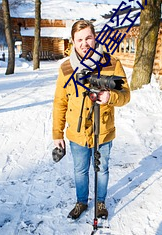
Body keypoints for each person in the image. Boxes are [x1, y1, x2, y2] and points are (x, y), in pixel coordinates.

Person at [52, 20, 130, 220]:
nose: (84, 43)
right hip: (77, 133)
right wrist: (57, 134)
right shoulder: (66, 68)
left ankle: (101, 202)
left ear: (95, 38)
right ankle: (81, 202)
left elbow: (125, 95)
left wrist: (110, 97)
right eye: (79, 39)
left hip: (103, 129)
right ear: (73, 41)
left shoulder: (112, 63)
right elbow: (60, 102)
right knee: (80, 170)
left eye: (88, 38)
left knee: (102, 168)